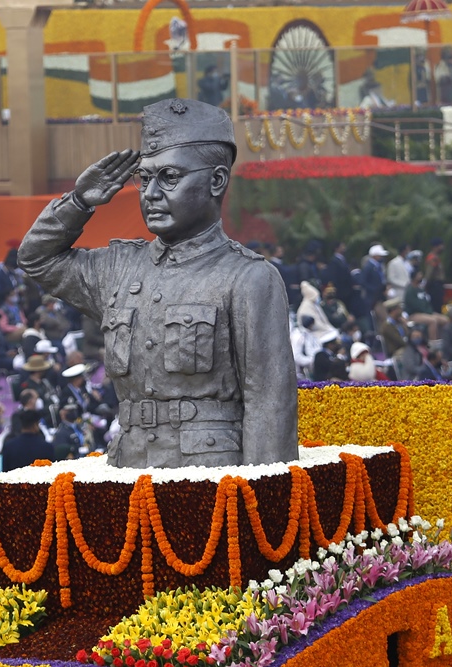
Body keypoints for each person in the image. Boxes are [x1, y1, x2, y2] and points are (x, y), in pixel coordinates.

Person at [19, 99, 297, 469]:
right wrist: (80, 201)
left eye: (169, 177)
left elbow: (269, 402)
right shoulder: (119, 267)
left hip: (212, 476)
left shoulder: (248, 277)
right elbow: (36, 258)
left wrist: (263, 503)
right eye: (144, 178)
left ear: (216, 181)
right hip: (128, 469)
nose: (150, 194)